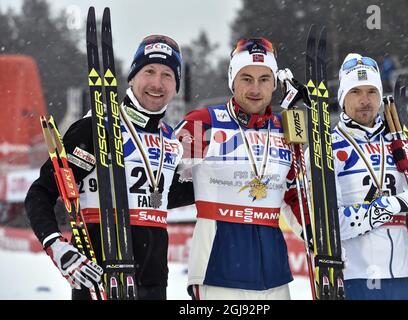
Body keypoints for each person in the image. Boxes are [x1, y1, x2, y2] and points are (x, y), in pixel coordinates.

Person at [25, 35, 192, 300]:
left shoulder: (170, 140)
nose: (157, 84)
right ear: (132, 77)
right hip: (100, 282)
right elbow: (40, 193)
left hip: (154, 286)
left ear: (177, 85)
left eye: (167, 75)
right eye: (149, 71)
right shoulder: (96, 128)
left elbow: (158, 198)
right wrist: (56, 245)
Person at [175, 38, 305, 300]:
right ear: (232, 80)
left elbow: (294, 196)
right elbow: (161, 178)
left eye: (264, 79)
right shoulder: (203, 124)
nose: (255, 88)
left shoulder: (287, 129)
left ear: (275, 83)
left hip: (274, 274)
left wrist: (317, 239)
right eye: (246, 78)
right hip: (217, 268)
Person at [332, 53, 408, 300]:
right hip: (352, 276)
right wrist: (396, 203)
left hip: (399, 274)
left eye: (372, 92)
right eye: (355, 92)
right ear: (342, 97)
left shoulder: (397, 142)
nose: (365, 100)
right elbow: (333, 224)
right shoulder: (327, 148)